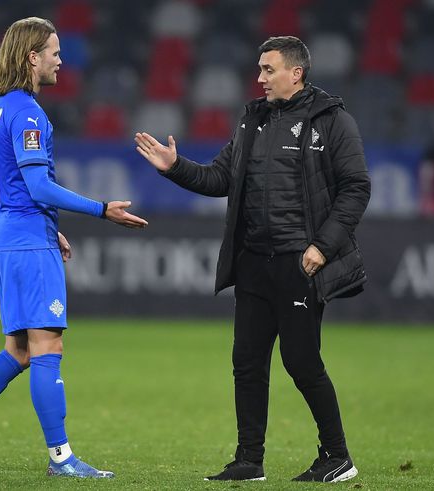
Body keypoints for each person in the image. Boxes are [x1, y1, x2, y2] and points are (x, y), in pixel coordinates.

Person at [135, 36, 370, 483]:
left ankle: (337, 456)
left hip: (299, 262)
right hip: (253, 261)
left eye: (268, 69)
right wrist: (175, 166)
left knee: (301, 362)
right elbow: (221, 176)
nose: (259, 78)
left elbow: (356, 187)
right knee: (247, 361)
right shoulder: (252, 121)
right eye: (260, 69)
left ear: (295, 73)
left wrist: (321, 246)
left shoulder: (333, 121)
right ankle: (248, 460)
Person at [0, 17, 147, 479]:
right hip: (25, 239)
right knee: (48, 345)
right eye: (54, 52)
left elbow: (14, 186)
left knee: (20, 350)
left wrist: (50, 227)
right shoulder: (26, 111)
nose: (61, 61)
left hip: (7, 234)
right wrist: (101, 208)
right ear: (32, 57)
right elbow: (38, 185)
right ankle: (62, 459)